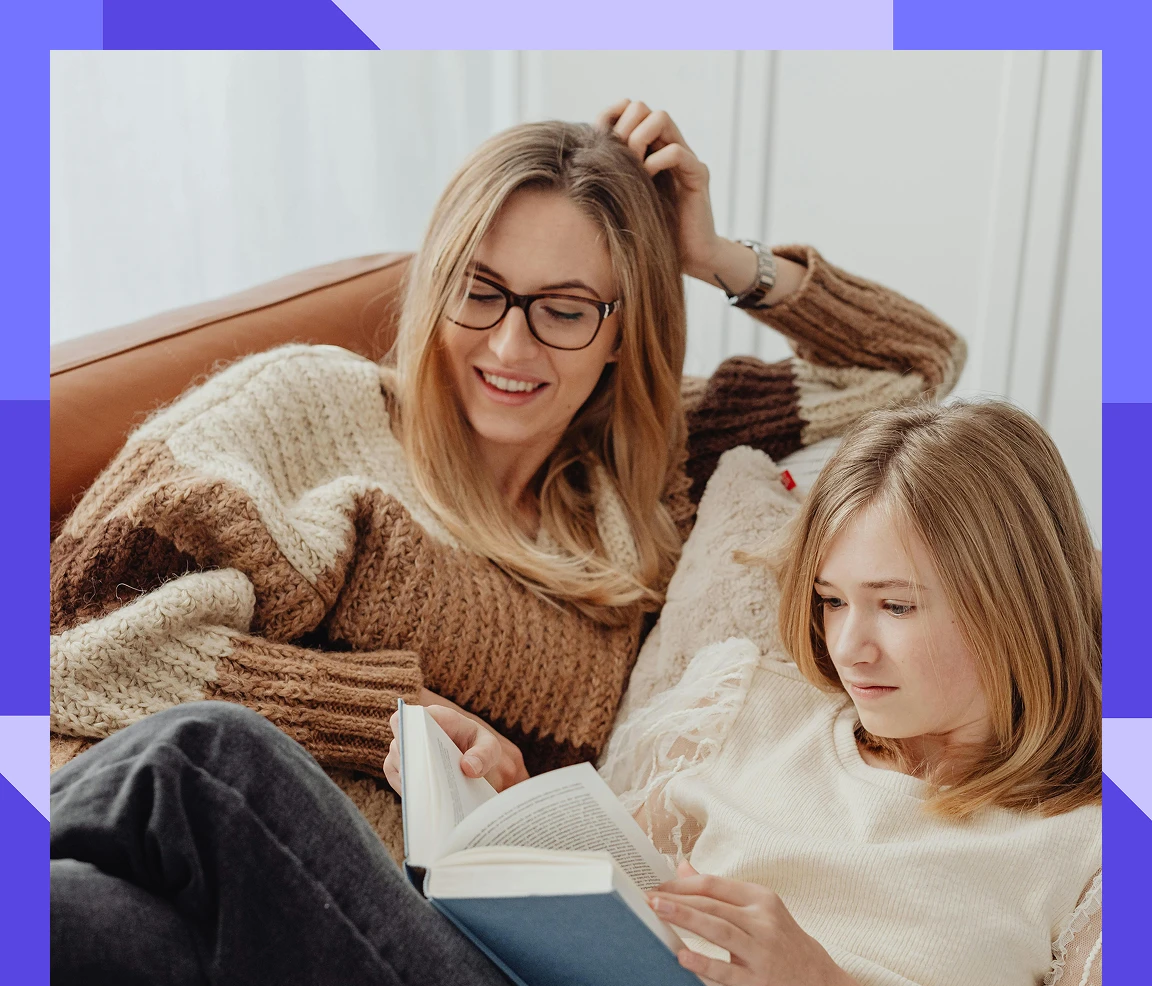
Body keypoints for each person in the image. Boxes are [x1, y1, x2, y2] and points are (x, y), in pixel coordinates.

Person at [50, 398, 1100, 986]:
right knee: (86, 941)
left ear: (1014, 602)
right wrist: (507, 810)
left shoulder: (1086, 847)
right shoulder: (752, 706)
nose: (849, 645)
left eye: (897, 606)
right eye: (830, 601)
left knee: (211, 766)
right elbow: (614, 884)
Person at [49, 102, 966, 851]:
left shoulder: (651, 474)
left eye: (564, 309)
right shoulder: (307, 409)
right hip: (202, 847)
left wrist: (713, 256)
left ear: (620, 330)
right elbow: (75, 651)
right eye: (479, 289)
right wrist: (391, 718)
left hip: (430, 948)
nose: (509, 344)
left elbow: (916, 363)